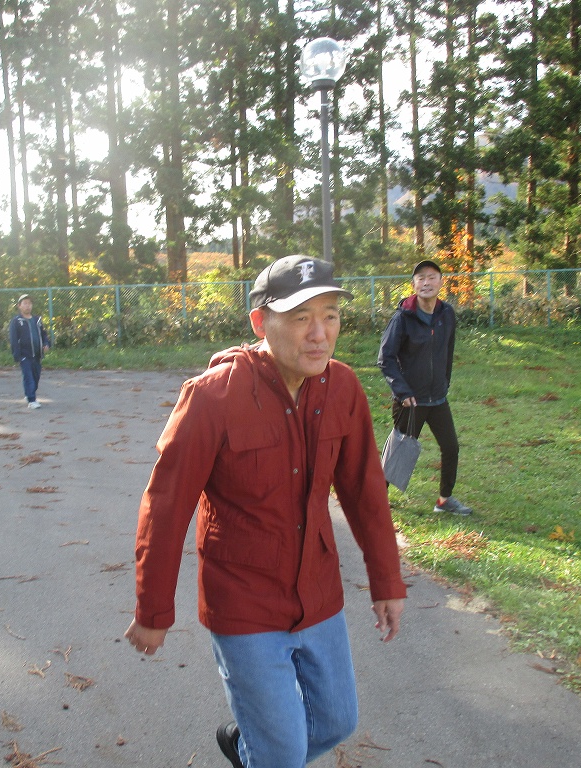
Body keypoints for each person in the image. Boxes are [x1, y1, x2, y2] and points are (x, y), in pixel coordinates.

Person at [125, 255, 407, 768]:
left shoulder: (342, 389)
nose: (319, 334)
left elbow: (366, 492)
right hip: (244, 602)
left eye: (331, 316)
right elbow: (165, 509)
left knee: (337, 721)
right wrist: (153, 611)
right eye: (301, 318)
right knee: (281, 754)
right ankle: (263, 747)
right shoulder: (213, 398)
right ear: (261, 323)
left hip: (317, 593)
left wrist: (387, 580)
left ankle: (247, 744)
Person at [377, 259, 472, 515]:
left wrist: (444, 382)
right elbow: (385, 358)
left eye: (432, 277)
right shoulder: (403, 318)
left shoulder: (447, 314)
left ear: (441, 282)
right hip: (411, 400)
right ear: (414, 284)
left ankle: (444, 500)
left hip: (437, 398)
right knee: (399, 450)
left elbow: (447, 351)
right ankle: (376, 501)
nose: (426, 282)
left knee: (451, 446)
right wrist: (403, 391)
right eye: (421, 278)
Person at [8, 294, 50, 409]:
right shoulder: (16, 321)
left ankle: (29, 394)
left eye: (29, 303)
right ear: (19, 306)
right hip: (24, 355)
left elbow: (43, 334)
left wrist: (46, 344)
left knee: (36, 377)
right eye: (25, 303)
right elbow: (13, 339)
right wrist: (17, 355)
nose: (28, 306)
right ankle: (32, 400)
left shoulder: (37, 320)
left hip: (37, 355)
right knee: (28, 377)